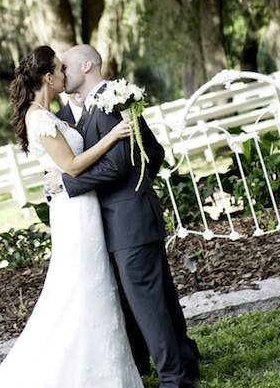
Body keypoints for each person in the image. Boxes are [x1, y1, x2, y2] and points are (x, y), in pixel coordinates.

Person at [0, 45, 144, 387]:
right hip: (74, 209)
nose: (64, 73)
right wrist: (113, 136)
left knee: (93, 282)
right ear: (47, 77)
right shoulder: (38, 117)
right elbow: (71, 165)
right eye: (59, 68)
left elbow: (63, 165)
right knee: (82, 285)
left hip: (80, 203)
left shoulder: (46, 113)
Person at [48, 44, 201, 388]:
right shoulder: (76, 111)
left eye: (66, 66)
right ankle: (184, 366)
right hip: (116, 220)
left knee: (150, 303)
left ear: (86, 65)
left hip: (128, 218)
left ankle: (175, 380)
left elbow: (121, 164)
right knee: (157, 298)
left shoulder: (113, 102)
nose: (61, 73)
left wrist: (69, 183)